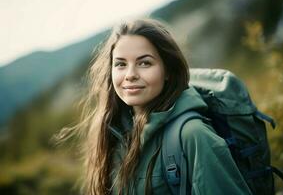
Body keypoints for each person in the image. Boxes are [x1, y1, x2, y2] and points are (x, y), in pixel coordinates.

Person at [58, 18, 253, 195]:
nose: (130, 74)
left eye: (144, 63)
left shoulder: (193, 135)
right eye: (120, 64)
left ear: (168, 70)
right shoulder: (116, 133)